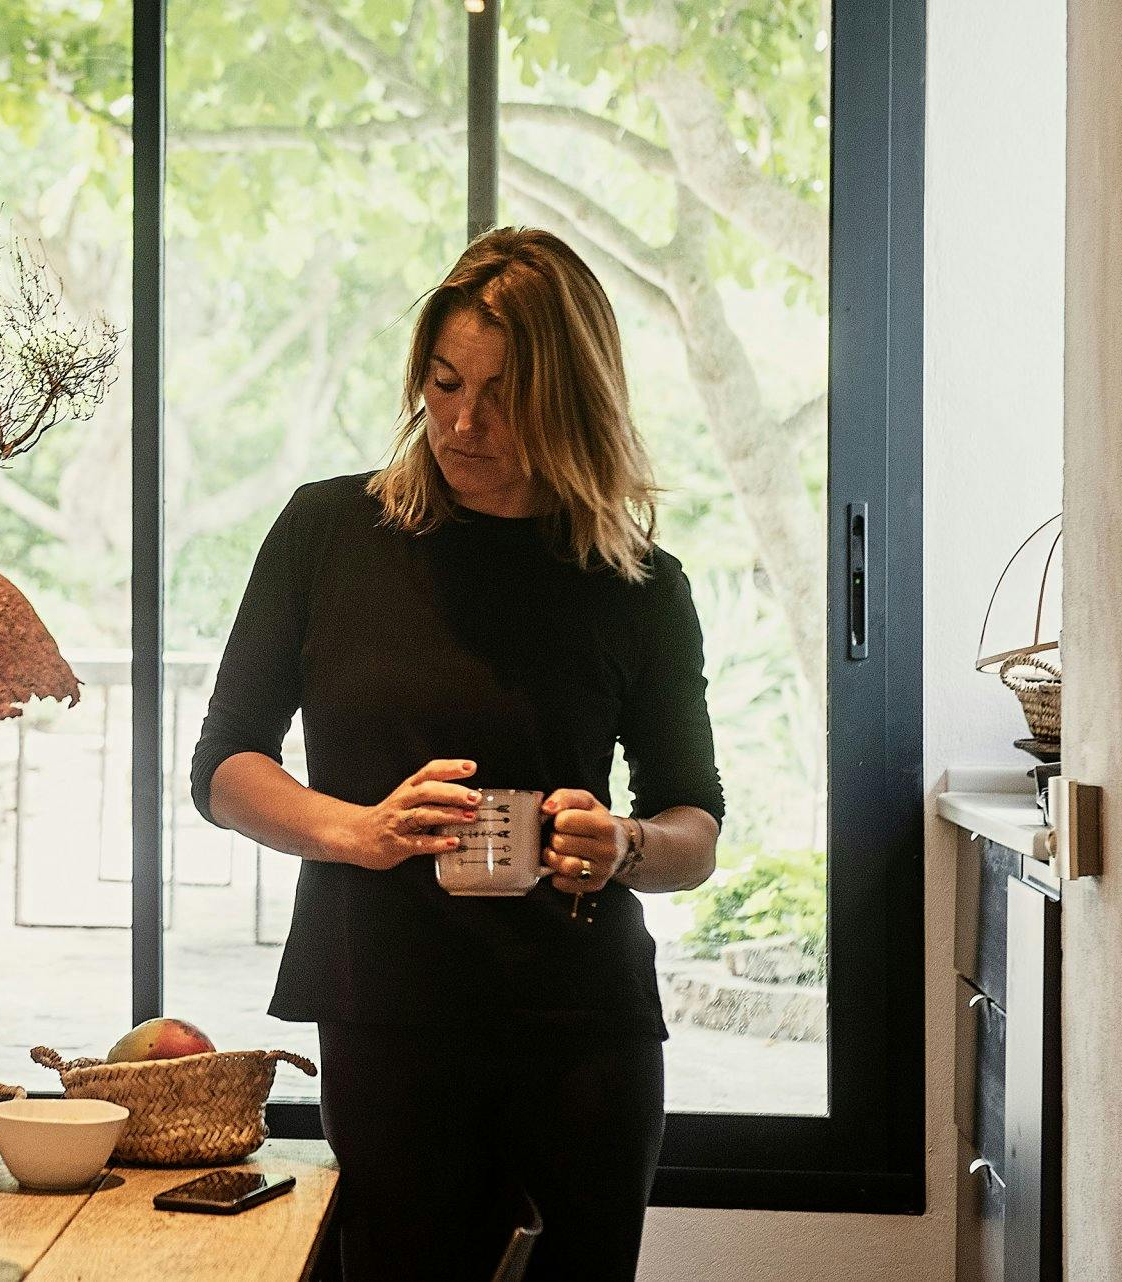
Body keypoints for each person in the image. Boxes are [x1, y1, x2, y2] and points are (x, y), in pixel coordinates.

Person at [189, 226, 726, 1282]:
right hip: (387, 1006)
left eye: (503, 396)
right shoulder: (328, 532)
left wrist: (623, 844)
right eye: (445, 384)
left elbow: (693, 825)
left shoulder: (640, 586)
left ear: (573, 402)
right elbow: (224, 766)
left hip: (582, 1025)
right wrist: (363, 830)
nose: (463, 421)